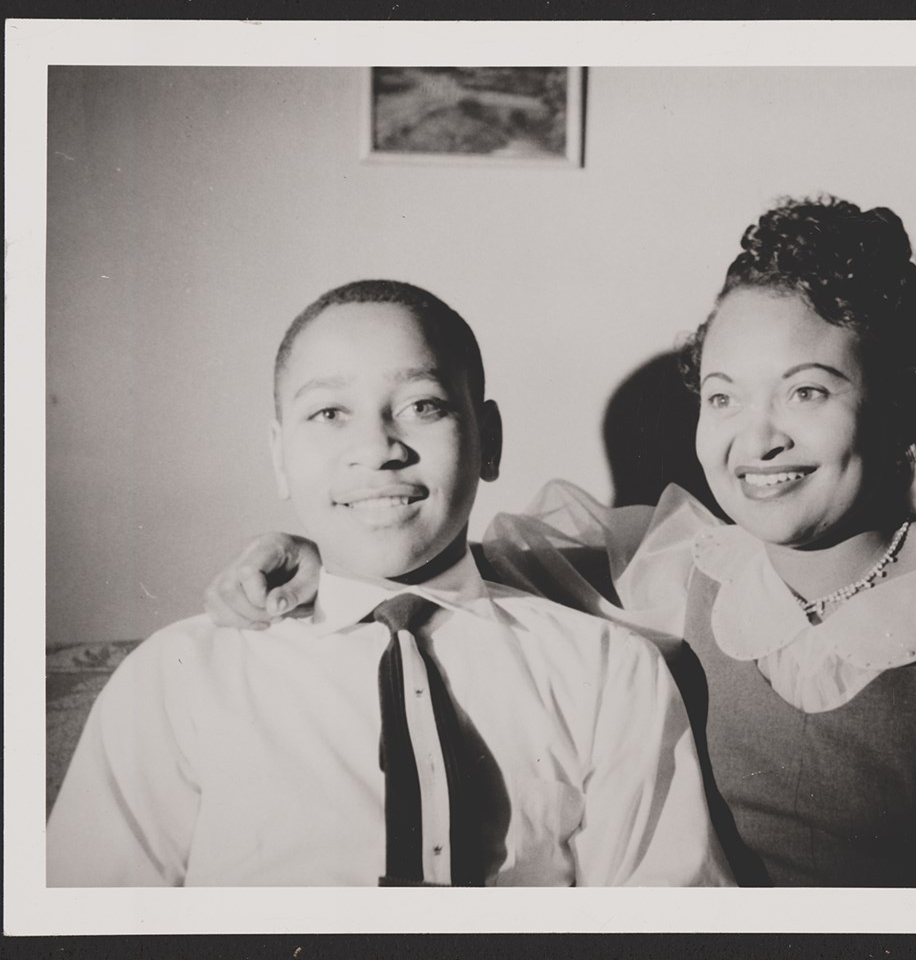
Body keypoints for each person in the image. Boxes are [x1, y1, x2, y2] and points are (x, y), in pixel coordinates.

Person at [207, 200, 916, 889]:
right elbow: (446, 560)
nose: (755, 437)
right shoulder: (679, 564)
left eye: (808, 391)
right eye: (723, 396)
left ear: (903, 398)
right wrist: (306, 543)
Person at [47, 279, 732, 887]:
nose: (377, 447)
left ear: (488, 440)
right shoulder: (178, 678)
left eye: (422, 405)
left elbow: (661, 914)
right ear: (280, 456)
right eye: (329, 414)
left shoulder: (607, 672)